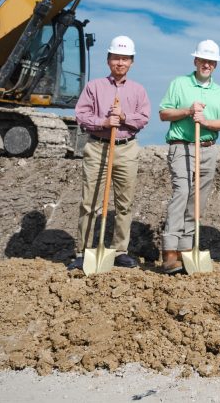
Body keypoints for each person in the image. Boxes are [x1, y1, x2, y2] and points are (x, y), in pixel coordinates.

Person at [69, 35, 150, 271]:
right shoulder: (94, 87)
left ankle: (119, 251)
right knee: (90, 202)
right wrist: (103, 122)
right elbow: (81, 115)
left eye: (125, 59)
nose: (120, 63)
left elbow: (143, 118)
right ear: (108, 60)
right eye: (116, 58)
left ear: (131, 62)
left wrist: (124, 117)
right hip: (98, 147)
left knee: (124, 203)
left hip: (126, 148)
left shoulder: (138, 90)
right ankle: (84, 251)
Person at [157, 39, 220, 275]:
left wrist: (205, 121)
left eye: (211, 62)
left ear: (215, 65)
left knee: (197, 199)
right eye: (203, 60)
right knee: (181, 192)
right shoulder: (179, 84)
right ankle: (170, 251)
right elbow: (164, 113)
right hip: (181, 146)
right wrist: (188, 111)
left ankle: (186, 248)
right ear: (195, 61)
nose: (206, 65)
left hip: (208, 148)